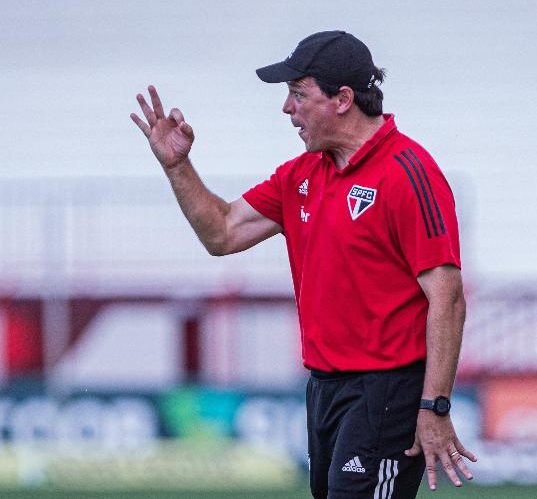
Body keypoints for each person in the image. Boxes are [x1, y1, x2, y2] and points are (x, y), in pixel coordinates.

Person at [131, 30, 476, 498]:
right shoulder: (301, 175)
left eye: (298, 94)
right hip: (324, 392)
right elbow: (223, 232)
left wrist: (433, 407)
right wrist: (178, 167)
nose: (287, 108)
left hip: (387, 395)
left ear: (343, 99)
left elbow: (448, 298)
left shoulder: (408, 173)